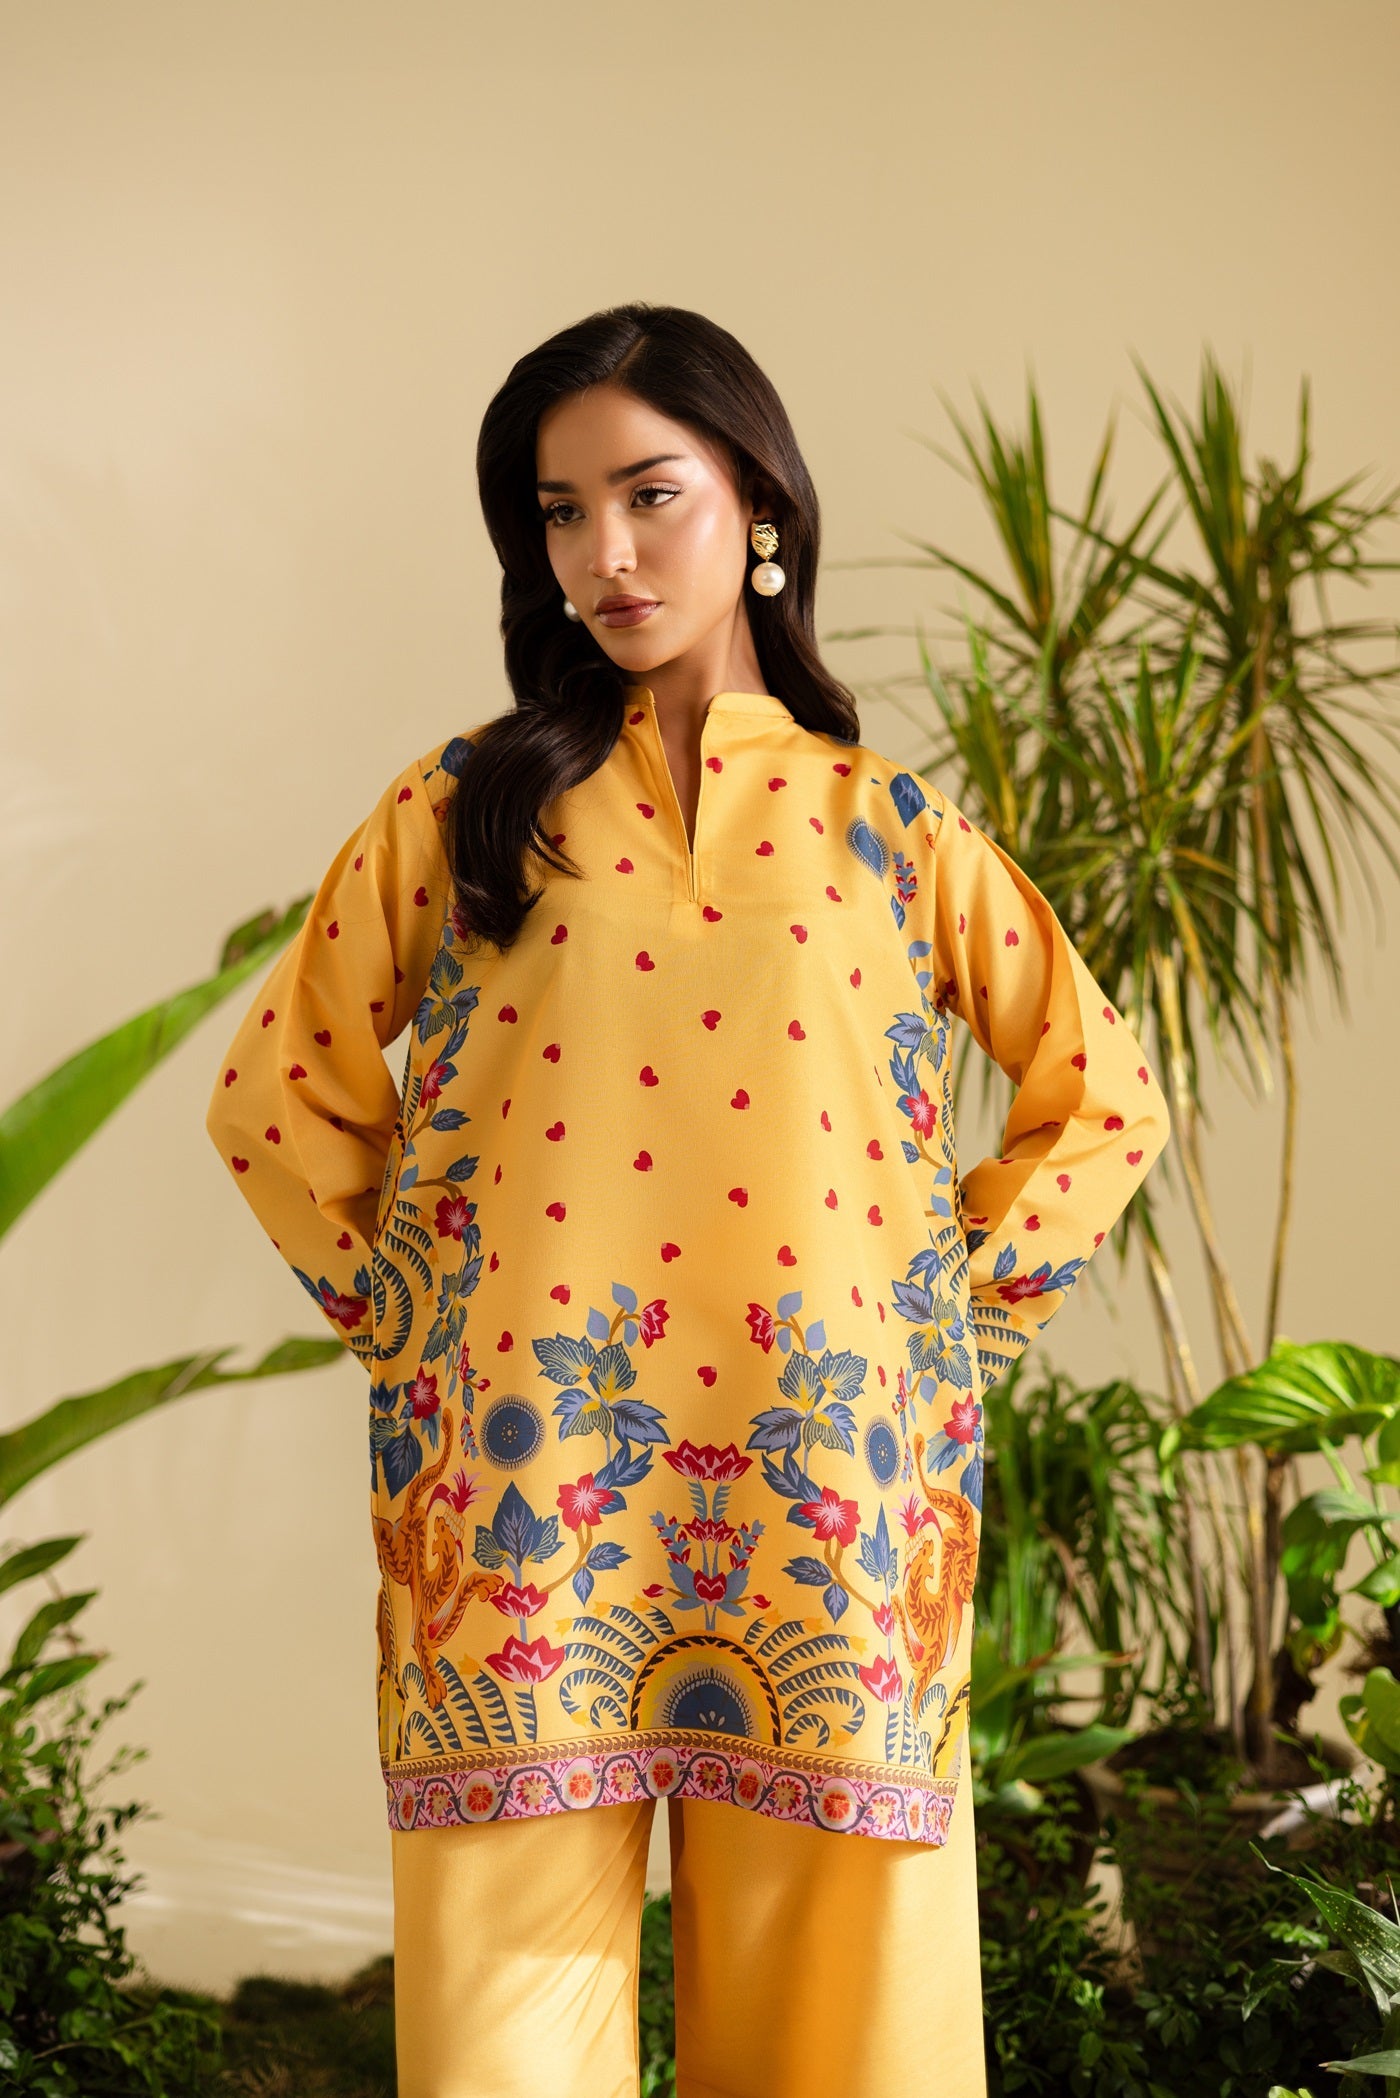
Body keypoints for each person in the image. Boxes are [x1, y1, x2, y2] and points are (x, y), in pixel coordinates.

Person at [206, 300, 1171, 2098]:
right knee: (501, 2047)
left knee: (846, 2047)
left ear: (760, 505)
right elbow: (280, 1092)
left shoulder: (888, 829)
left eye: (650, 494)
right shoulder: (469, 811)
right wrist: (418, 1327)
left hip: (827, 1505)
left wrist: (941, 1337)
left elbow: (1102, 1098)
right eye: (561, 513)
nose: (609, 553)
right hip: (524, 1500)